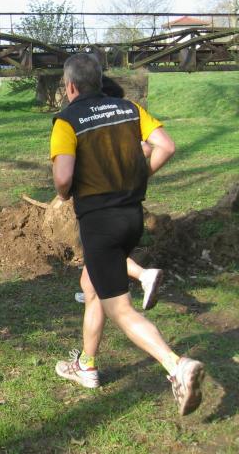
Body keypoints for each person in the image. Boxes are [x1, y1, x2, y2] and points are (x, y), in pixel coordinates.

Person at [50, 53, 205, 416]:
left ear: (70, 86)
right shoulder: (130, 109)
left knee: (119, 308)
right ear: (99, 80)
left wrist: (63, 194)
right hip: (132, 217)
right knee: (92, 286)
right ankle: (86, 365)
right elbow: (166, 146)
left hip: (99, 223)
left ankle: (176, 366)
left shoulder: (67, 120)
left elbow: (63, 178)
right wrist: (139, 177)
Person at [72, 75, 164, 310]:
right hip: (124, 205)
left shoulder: (101, 125)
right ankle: (94, 295)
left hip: (105, 208)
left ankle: (143, 276)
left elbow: (148, 148)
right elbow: (151, 147)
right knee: (92, 273)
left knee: (105, 255)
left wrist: (138, 173)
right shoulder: (119, 121)